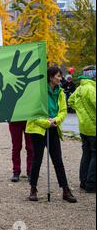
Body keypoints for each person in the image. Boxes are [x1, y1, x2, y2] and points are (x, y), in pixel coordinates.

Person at [26, 66, 77, 203]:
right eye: (58, 76)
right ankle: (33, 189)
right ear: (50, 77)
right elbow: (32, 112)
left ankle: (65, 190)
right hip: (37, 129)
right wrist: (45, 122)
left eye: (61, 76)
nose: (60, 79)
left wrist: (55, 120)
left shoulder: (60, 92)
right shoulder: (38, 92)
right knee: (37, 159)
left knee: (58, 160)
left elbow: (63, 110)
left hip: (53, 127)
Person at [68, 65, 96, 193]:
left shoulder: (80, 88)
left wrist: (81, 112)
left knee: (86, 154)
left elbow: (71, 101)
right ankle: (91, 184)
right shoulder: (91, 88)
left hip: (83, 126)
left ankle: (83, 182)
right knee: (94, 155)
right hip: (93, 127)